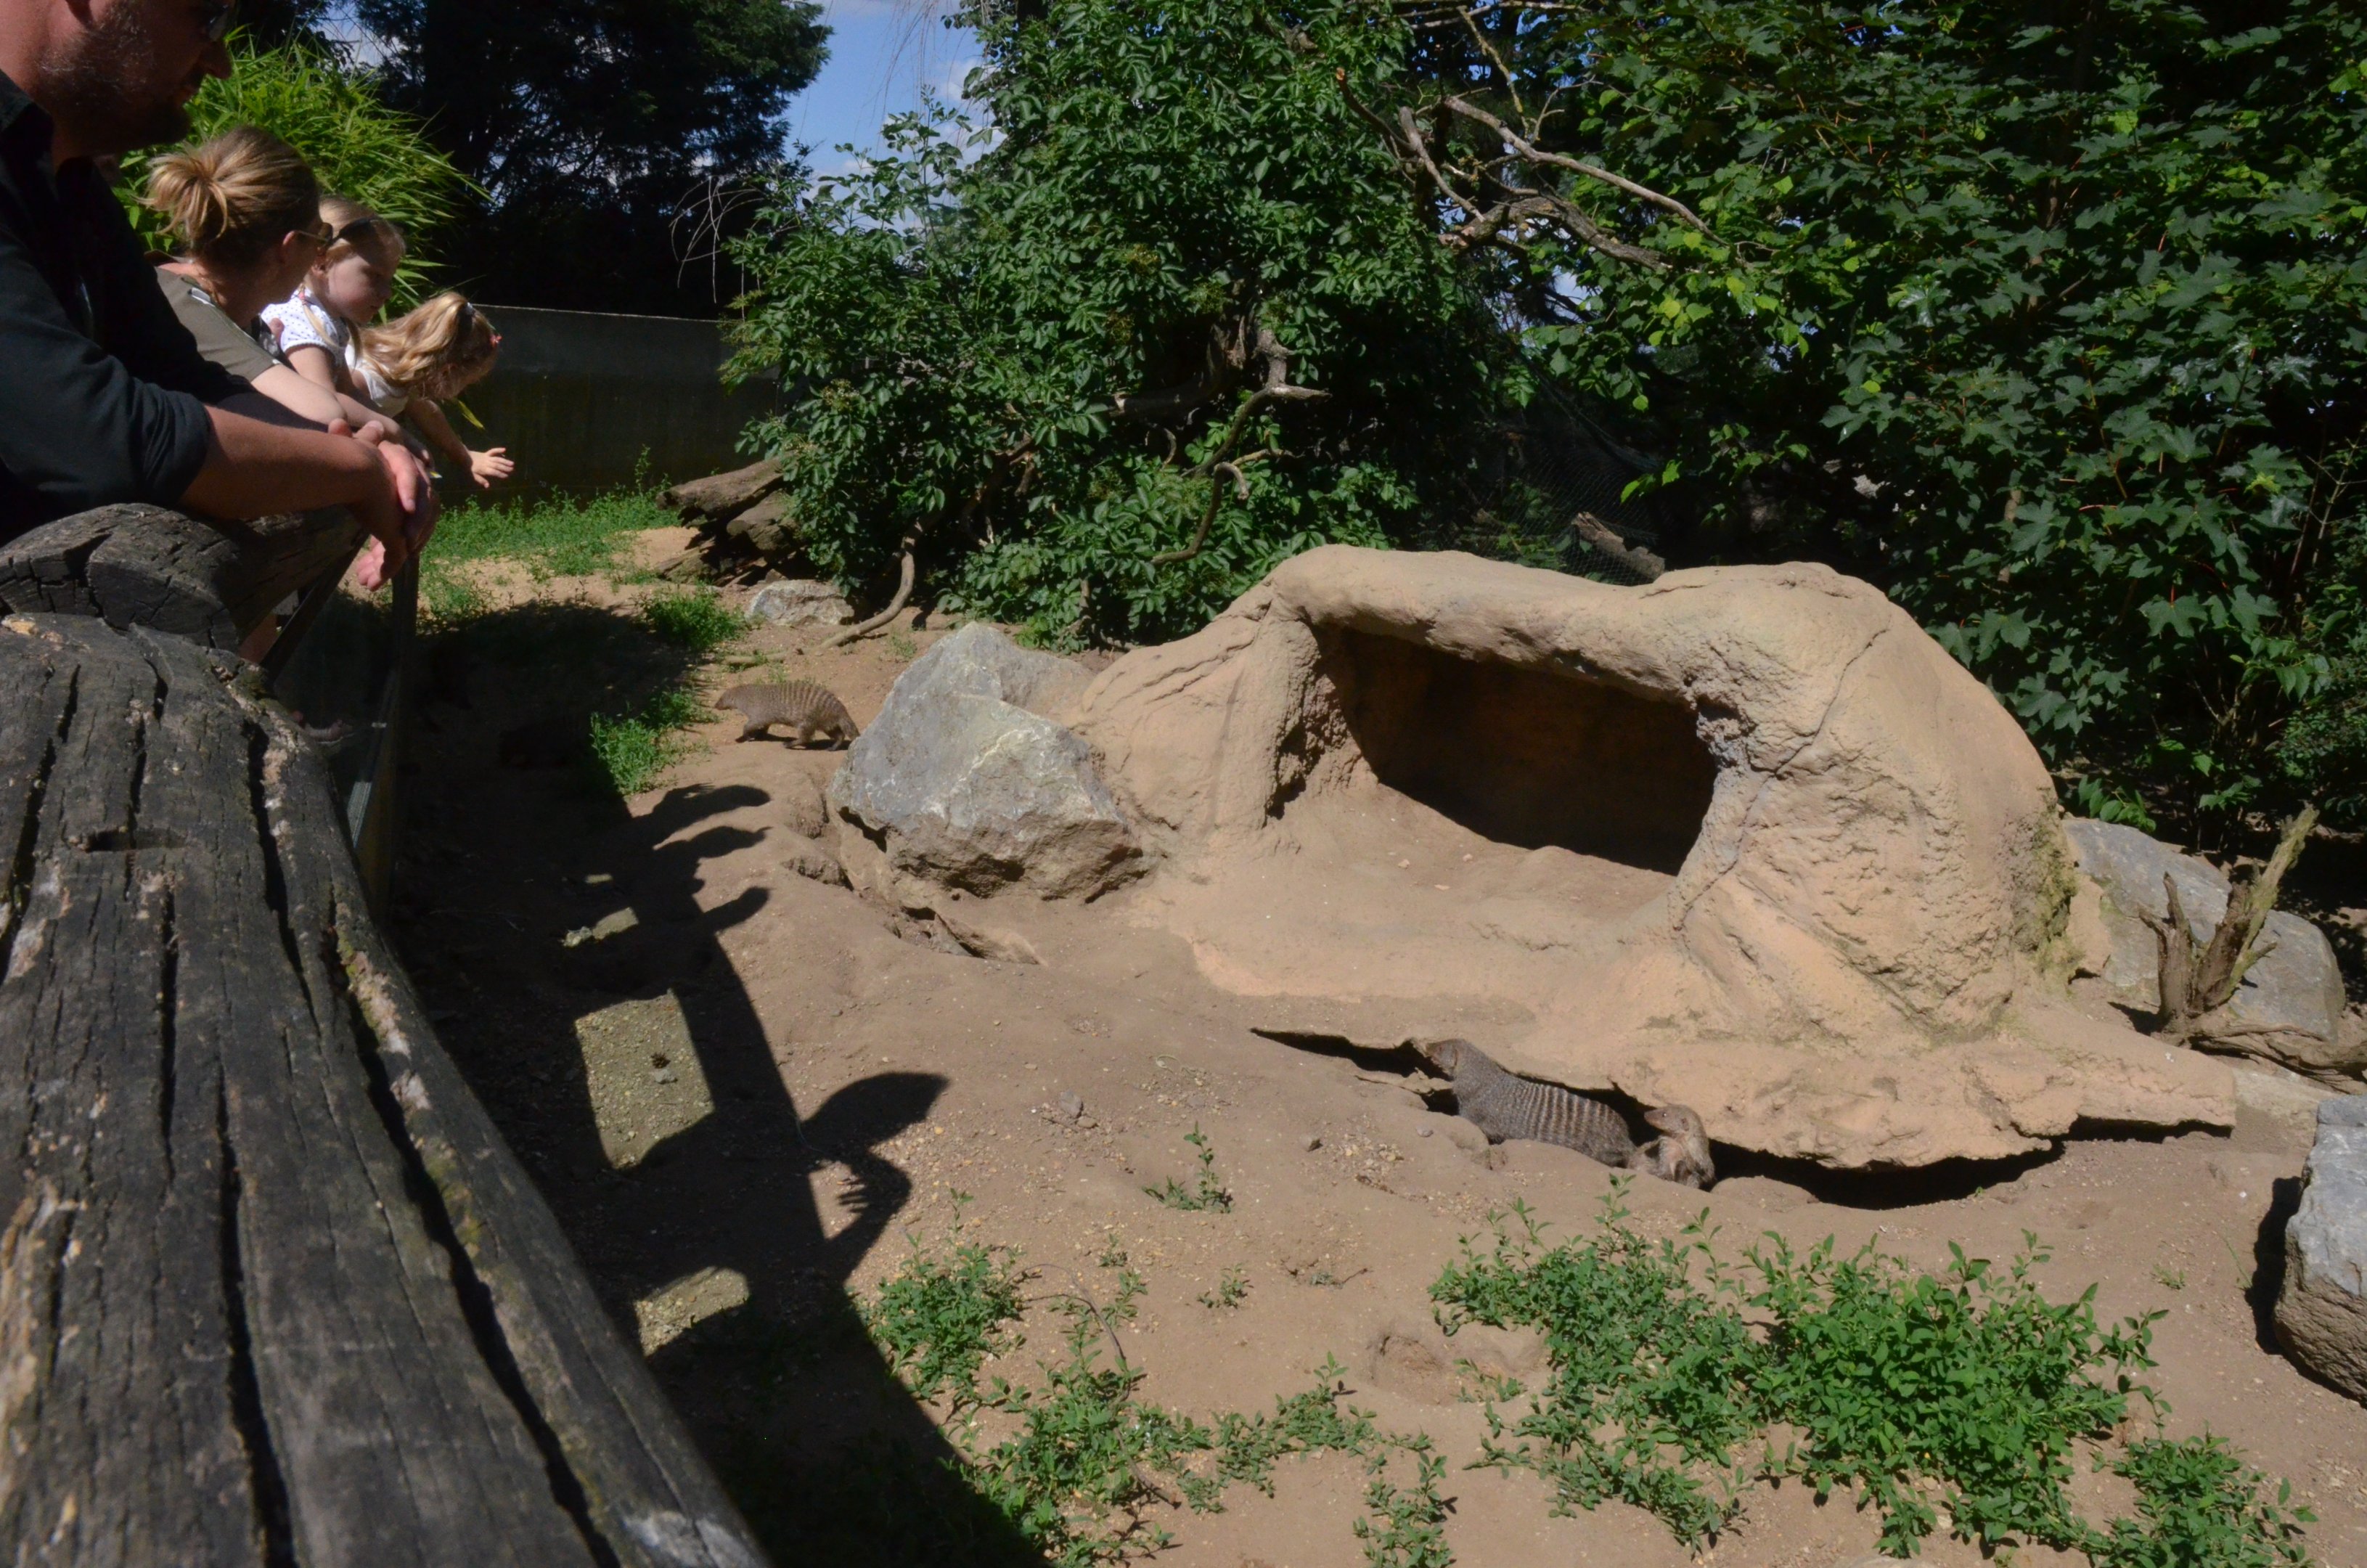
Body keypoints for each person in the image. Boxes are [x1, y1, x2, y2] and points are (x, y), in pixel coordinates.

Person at [0, 0, 431, 581]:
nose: (221, 63)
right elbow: (94, 433)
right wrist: (350, 466)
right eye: (209, 17)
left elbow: (184, 376)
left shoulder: (70, 186)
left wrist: (360, 451)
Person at [146, 124, 401, 438]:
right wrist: (390, 430)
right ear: (289, 248)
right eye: (321, 236)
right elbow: (323, 412)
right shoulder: (182, 302)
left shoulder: (246, 319)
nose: (320, 250)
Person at [356, 291, 515, 489]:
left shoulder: (395, 370)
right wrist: (401, 441)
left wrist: (465, 456)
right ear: (448, 371)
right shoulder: (370, 383)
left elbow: (427, 412)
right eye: (469, 382)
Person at [263, 193, 400, 403]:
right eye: (375, 276)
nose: (387, 293)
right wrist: (383, 422)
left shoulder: (331, 322)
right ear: (322, 262)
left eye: (389, 281)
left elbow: (348, 390)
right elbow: (322, 401)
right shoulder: (300, 319)